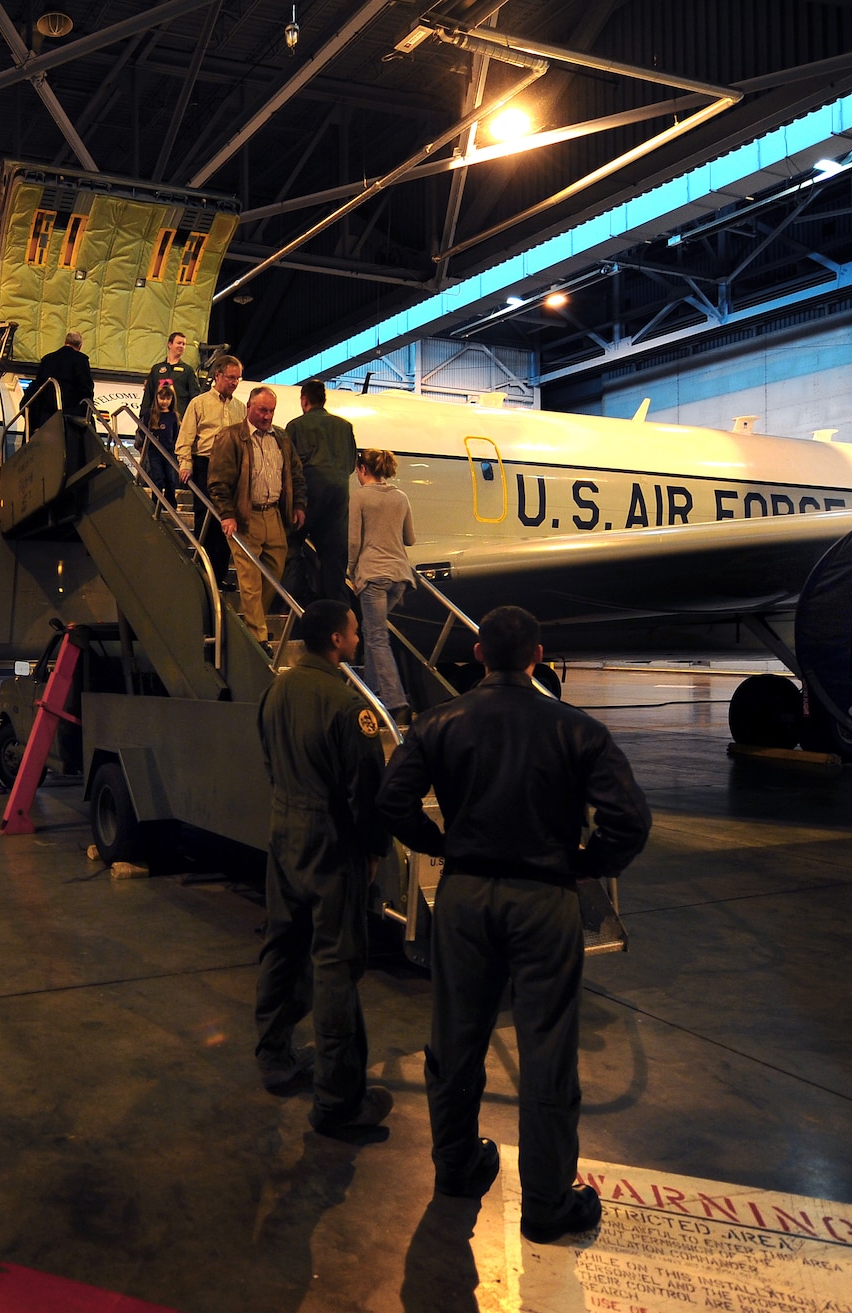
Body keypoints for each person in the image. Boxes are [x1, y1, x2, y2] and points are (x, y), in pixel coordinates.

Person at [375, 606, 651, 1243]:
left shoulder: (439, 723)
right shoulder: (576, 728)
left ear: (476, 655)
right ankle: (549, 1204)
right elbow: (629, 821)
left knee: (455, 1037)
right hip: (545, 899)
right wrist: (586, 864)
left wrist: (440, 843)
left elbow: (392, 800)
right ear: (539, 656)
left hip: (466, 896)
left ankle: (457, 1167)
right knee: (547, 1049)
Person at [254, 599, 392, 1137]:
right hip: (331, 843)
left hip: (283, 830)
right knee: (336, 963)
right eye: (354, 633)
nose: (358, 639)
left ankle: (275, 1057)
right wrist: (374, 848)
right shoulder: (343, 702)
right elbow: (366, 788)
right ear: (336, 640)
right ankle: (338, 1100)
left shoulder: (277, 689)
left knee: (283, 944)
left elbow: (267, 756)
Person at [210, 386, 306, 642]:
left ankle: (251, 626)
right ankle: (258, 638)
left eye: (271, 411)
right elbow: (218, 481)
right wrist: (227, 514)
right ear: (249, 407)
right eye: (262, 410)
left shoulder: (282, 439)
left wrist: (298, 505)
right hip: (244, 517)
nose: (267, 416)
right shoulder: (230, 437)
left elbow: (296, 474)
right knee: (250, 582)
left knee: (274, 573)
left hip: (274, 514)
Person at [348, 449, 415, 720]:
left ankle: (395, 700)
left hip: (373, 575)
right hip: (400, 577)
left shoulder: (360, 496)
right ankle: (372, 693)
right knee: (372, 631)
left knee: (376, 637)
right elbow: (409, 538)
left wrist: (351, 570)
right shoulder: (401, 497)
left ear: (363, 470)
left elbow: (354, 541)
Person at [284, 380, 358, 607]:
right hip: (338, 498)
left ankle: (295, 605)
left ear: (304, 400)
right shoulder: (345, 427)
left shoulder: (295, 426)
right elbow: (351, 464)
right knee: (334, 560)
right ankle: (337, 616)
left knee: (291, 544)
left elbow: (288, 467)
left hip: (307, 496)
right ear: (323, 400)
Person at [177, 354, 247, 582]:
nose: (235, 382)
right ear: (217, 375)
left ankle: (219, 576)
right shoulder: (199, 403)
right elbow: (186, 436)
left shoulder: (240, 408)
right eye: (231, 377)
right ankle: (202, 575)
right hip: (204, 463)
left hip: (231, 468)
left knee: (226, 520)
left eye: (238, 378)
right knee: (205, 518)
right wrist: (185, 463)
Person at [28, 330, 95, 431]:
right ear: (80, 346)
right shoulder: (81, 360)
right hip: (70, 415)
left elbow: (39, 385)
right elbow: (85, 387)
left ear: (65, 342)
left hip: (47, 415)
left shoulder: (47, 359)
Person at [139, 331, 203, 429]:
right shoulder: (157, 369)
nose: (181, 346)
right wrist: (142, 417)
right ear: (170, 344)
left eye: (184, 344)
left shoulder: (188, 370)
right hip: (156, 419)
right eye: (179, 343)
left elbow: (195, 396)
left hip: (179, 421)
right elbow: (148, 394)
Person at [143, 381, 182, 502]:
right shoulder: (150, 414)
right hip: (154, 451)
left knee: (170, 478)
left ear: (172, 399)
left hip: (169, 452)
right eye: (161, 398)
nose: (164, 401)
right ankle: (156, 502)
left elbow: (176, 435)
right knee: (158, 478)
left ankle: (171, 503)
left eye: (167, 398)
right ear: (157, 398)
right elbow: (143, 430)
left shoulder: (173, 416)